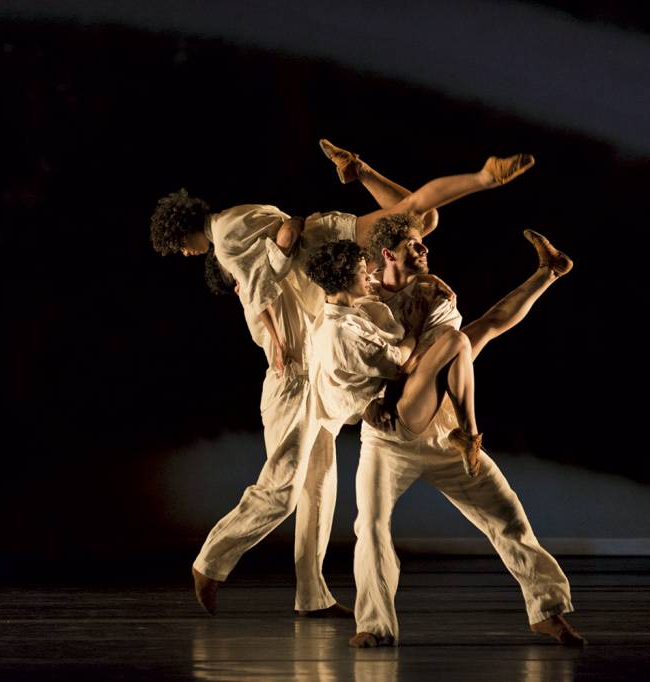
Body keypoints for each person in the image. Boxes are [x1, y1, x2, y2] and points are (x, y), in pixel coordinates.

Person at [148, 148, 534, 617]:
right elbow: (275, 276)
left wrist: (423, 284)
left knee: (318, 490)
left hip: (310, 369)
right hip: (293, 383)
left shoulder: (254, 256)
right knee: (287, 488)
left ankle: (311, 595)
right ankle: (210, 561)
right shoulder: (264, 279)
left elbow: (290, 253)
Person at [305, 217, 584, 647]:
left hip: (442, 430)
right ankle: (374, 625)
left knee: (507, 517)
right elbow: (339, 368)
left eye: (423, 246)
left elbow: (429, 360)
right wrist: (367, 403)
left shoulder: (433, 294)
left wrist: (398, 375)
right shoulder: (359, 292)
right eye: (414, 246)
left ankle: (548, 611)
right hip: (391, 439)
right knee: (371, 526)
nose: (425, 251)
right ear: (387, 255)